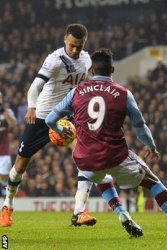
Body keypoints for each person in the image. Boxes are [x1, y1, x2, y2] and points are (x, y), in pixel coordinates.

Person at [46, 48, 167, 239]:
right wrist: (151, 146)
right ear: (112, 70)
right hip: (115, 155)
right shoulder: (123, 93)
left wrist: (61, 131)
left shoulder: (77, 91)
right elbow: (140, 126)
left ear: (91, 70)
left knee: (99, 175)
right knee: (153, 182)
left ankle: (118, 213)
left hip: (85, 158)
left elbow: (50, 120)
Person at [0, 24, 114, 227]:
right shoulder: (54, 60)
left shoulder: (86, 60)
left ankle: (79, 211)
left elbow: (86, 85)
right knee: (20, 164)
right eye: (72, 45)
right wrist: (31, 107)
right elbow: (35, 86)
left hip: (68, 115)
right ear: (65, 40)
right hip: (43, 116)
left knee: (84, 156)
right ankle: (7, 206)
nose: (75, 50)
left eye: (79, 46)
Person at [0, 91, 17, 197]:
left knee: (4, 175)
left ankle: (5, 197)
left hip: (4, 150)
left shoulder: (7, 111)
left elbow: (13, 125)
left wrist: (3, 111)